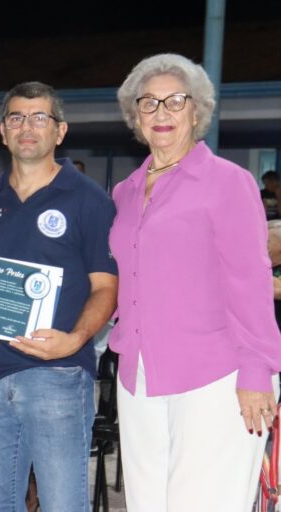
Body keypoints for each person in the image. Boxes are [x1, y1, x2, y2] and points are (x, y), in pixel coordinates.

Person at [0, 81, 118, 512]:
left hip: (57, 375)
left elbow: (107, 287)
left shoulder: (89, 199)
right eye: (16, 117)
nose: (27, 127)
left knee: (62, 506)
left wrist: (74, 339)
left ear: (60, 131)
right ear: (3, 132)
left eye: (40, 118)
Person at [110, 53, 281, 512]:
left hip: (216, 376)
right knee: (147, 504)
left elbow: (249, 281)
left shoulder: (228, 182)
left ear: (196, 111)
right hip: (138, 376)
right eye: (149, 103)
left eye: (175, 101)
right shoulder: (125, 192)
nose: (161, 113)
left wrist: (258, 369)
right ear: (135, 115)